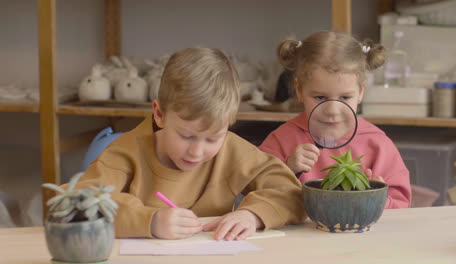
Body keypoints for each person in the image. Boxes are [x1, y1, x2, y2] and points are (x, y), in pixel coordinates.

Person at [71, 47, 306, 240]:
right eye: (186, 136)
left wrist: (252, 215)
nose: (197, 151)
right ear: (159, 114)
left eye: (213, 138)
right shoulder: (127, 151)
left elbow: (291, 193)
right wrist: (149, 221)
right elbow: (80, 203)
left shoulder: (232, 149)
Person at [259, 31, 411, 209]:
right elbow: (255, 192)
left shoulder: (377, 144)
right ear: (299, 90)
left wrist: (379, 198)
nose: (332, 110)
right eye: (320, 98)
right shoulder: (281, 140)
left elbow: (401, 205)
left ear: (361, 92)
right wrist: (287, 168)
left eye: (345, 98)